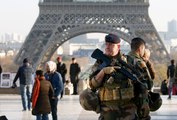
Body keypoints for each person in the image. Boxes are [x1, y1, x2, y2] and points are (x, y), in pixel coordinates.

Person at [88, 34, 136, 120]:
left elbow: (140, 85)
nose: (107, 47)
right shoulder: (100, 62)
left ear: (118, 46)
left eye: (111, 45)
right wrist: (103, 72)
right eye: (106, 44)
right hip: (107, 110)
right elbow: (92, 85)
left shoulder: (129, 61)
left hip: (128, 109)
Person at [127, 37, 152, 120]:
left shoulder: (123, 60)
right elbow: (149, 84)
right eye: (143, 48)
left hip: (126, 104)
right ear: (140, 48)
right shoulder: (140, 62)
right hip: (140, 103)